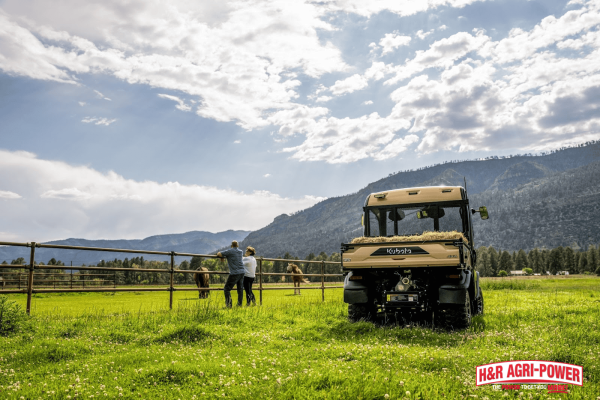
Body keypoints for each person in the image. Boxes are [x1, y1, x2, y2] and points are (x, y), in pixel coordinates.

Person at [217, 240, 245, 308]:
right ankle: (239, 304)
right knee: (240, 289)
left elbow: (219, 254)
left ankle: (229, 305)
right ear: (237, 245)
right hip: (242, 272)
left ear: (231, 245)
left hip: (235, 273)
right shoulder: (240, 252)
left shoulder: (230, 251)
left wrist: (222, 257)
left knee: (226, 289)